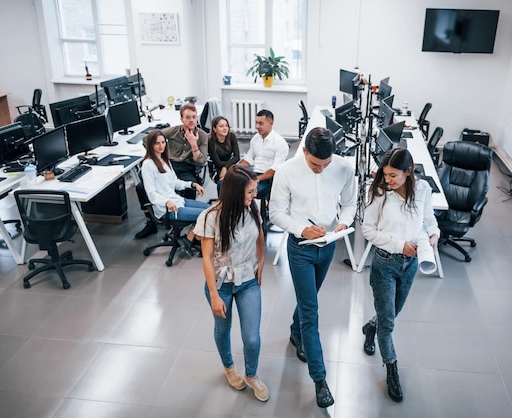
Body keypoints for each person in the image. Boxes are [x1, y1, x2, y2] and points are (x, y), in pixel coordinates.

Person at [269, 127, 356, 408]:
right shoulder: (285, 172)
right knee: (311, 311)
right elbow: (276, 213)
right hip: (301, 249)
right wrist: (302, 229)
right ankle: (320, 380)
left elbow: (350, 202)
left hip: (329, 245)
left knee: (310, 300)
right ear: (304, 151)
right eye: (315, 164)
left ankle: (296, 332)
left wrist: (343, 222)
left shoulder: (343, 167)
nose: (321, 169)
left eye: (326, 164)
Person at [360, 148, 439, 403]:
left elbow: (428, 220)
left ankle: (371, 327)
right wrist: (398, 245)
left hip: (411, 264)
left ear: (408, 172)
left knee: (392, 312)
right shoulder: (380, 193)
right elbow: (368, 230)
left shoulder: (423, 190)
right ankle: (391, 368)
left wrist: (434, 234)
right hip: (385, 262)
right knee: (389, 324)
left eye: (394, 175)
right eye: (386, 175)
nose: (388, 180)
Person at [194, 165, 269, 402]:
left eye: (254, 191)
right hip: (221, 283)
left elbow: (259, 235)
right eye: (249, 192)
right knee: (223, 329)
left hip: (248, 281)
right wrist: (215, 295)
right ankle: (229, 367)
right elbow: (206, 258)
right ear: (235, 192)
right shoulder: (210, 217)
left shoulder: (252, 208)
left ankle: (252, 374)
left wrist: (261, 260)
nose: (253, 196)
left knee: (252, 337)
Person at [134, 103, 208, 239]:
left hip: (187, 167)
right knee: (140, 187)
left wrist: (193, 144)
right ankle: (158, 223)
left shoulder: (201, 135)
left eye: (194, 117)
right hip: (170, 176)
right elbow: (147, 139)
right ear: (181, 119)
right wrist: (155, 153)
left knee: (208, 208)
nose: (191, 120)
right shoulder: (150, 163)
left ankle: (188, 230)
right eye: (188, 117)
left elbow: (201, 161)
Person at [141, 129, 209, 255]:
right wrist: (166, 201)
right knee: (206, 215)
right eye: (157, 143)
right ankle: (190, 239)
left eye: (163, 142)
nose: (162, 146)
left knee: (211, 209)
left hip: (178, 201)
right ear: (150, 145)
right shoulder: (147, 165)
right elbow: (151, 194)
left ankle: (188, 239)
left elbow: (175, 182)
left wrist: (192, 184)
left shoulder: (165, 160)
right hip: (167, 209)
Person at [238, 109, 289, 224]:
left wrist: (255, 179)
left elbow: (273, 171)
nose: (257, 126)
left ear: (271, 123)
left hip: (268, 178)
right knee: (224, 184)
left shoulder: (280, 143)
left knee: (245, 190)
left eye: (261, 123)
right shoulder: (256, 139)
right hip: (254, 174)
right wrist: (234, 170)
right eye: (256, 123)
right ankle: (236, 217)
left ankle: (253, 221)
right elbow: (248, 159)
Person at [208, 116, 240, 184]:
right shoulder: (210, 141)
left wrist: (225, 167)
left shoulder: (232, 136)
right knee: (224, 181)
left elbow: (237, 157)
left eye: (226, 126)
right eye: (221, 126)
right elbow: (218, 163)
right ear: (214, 129)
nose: (225, 128)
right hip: (217, 168)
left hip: (230, 165)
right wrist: (230, 164)